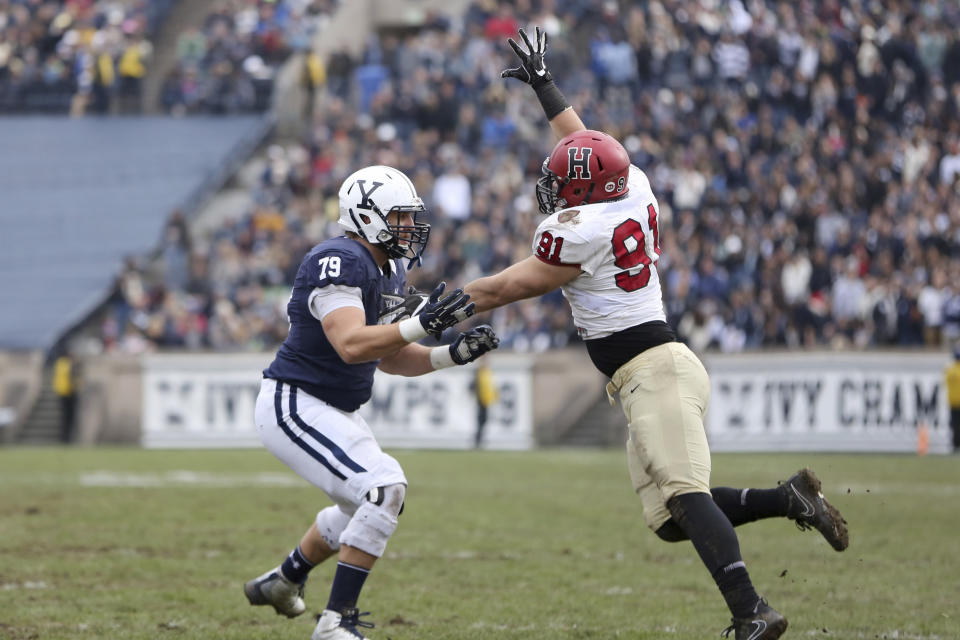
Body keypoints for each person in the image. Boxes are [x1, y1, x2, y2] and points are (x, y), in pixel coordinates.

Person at [463, 28, 849, 640]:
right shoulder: (632, 184)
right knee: (672, 520)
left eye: (564, 184)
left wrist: (441, 306)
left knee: (689, 497)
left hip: (655, 369)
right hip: (645, 371)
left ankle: (752, 612)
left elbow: (508, 287)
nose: (555, 187)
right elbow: (585, 142)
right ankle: (788, 499)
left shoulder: (580, 231)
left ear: (585, 194)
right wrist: (545, 83)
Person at [243, 165, 500, 640]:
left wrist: (449, 355)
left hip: (334, 407)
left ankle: (285, 580)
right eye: (400, 217)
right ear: (366, 216)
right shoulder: (338, 259)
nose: (409, 227)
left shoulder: (388, 267)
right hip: (296, 402)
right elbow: (351, 344)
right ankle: (336, 622)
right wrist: (424, 323)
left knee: (359, 507)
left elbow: (390, 356)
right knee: (384, 489)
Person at [470, 361, 498, 448]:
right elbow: (473, 385)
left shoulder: (486, 372)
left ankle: (479, 438)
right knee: (481, 420)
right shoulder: (479, 373)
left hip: (486, 400)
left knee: (483, 420)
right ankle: (478, 439)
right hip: (480, 400)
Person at [52, 352, 78, 444]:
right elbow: (72, 377)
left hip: (61, 391)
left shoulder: (59, 363)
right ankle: (67, 438)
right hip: (69, 392)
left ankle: (64, 438)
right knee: (69, 417)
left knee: (65, 417)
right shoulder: (68, 364)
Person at [945, 344, 960, 453]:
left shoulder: (949, 370)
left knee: (954, 425)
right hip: (954, 402)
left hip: (953, 402)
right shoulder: (950, 370)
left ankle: (955, 444)